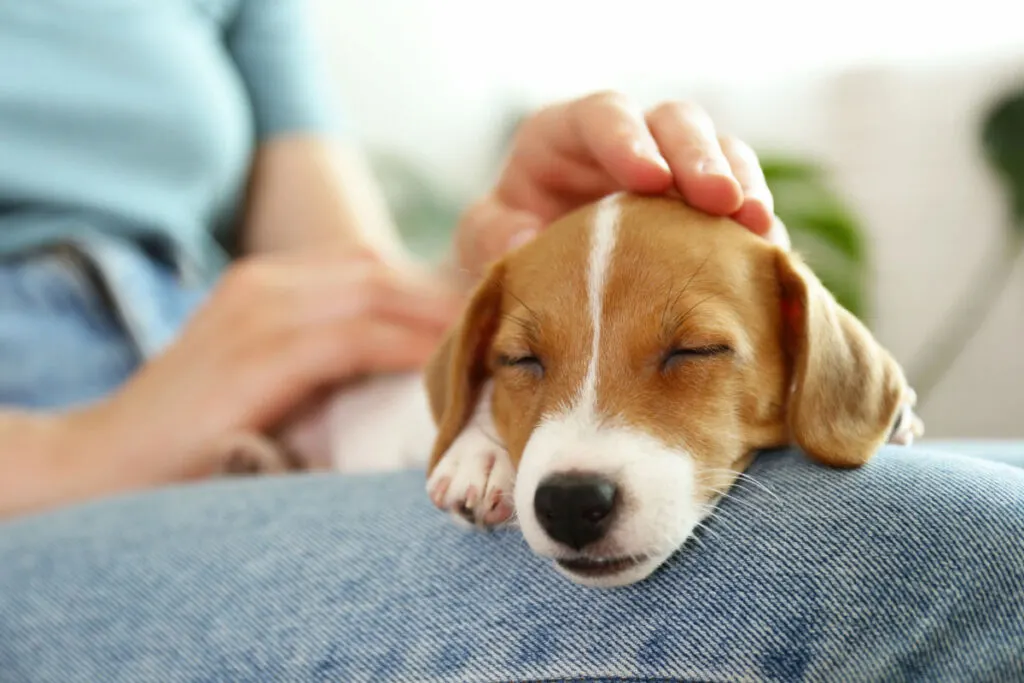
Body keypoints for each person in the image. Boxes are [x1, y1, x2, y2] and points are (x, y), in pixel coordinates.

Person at [0, 2, 1021, 681]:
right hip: (45, 474)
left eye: (691, 354)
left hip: (286, 410)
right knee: (961, 549)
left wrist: (528, 260)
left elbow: (356, 287)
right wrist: (98, 441)